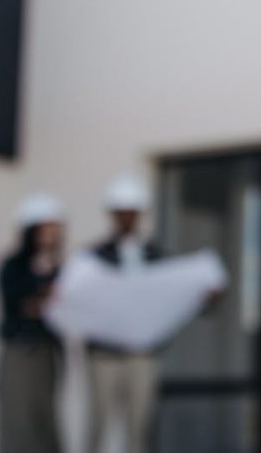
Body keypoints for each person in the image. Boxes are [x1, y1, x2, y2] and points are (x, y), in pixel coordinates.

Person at [85, 174, 163, 453]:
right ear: (112, 215)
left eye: (132, 213)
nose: (127, 220)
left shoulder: (154, 255)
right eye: (122, 213)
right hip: (104, 354)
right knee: (98, 425)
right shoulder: (95, 256)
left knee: (138, 428)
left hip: (141, 354)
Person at [0, 192, 66, 453]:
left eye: (55, 231)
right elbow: (21, 305)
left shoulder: (59, 268)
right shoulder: (13, 266)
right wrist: (43, 289)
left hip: (46, 353)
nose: (51, 237)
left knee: (45, 425)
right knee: (18, 425)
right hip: (21, 351)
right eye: (46, 230)